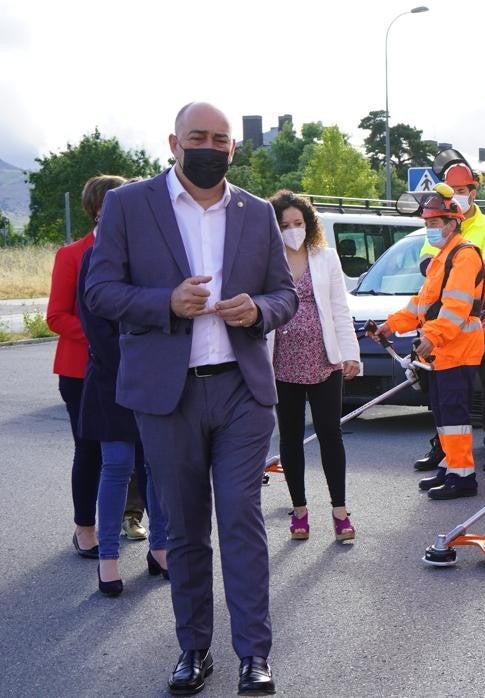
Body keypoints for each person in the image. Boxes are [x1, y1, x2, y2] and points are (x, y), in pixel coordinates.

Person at [85, 101, 297, 696]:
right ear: (174, 143)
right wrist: (164, 303)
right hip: (166, 395)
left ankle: (255, 654)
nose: (210, 147)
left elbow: (286, 295)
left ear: (234, 148)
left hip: (241, 390)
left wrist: (258, 309)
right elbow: (99, 289)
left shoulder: (257, 214)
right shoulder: (130, 205)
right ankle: (193, 648)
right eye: (198, 137)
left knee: (241, 520)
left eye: (221, 139)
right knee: (183, 529)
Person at [376, 183, 485, 500]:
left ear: (453, 223)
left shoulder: (463, 257)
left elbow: (455, 308)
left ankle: (463, 478)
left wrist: (432, 337)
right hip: (443, 351)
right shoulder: (443, 258)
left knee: (454, 416)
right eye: (427, 224)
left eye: (434, 224)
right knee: (443, 414)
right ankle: (451, 469)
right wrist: (390, 325)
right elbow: (421, 306)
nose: (429, 230)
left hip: (457, 349)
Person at [77, 237, 169, 595]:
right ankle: (109, 558)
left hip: (154, 379)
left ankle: (160, 548)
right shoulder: (95, 257)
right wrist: (133, 365)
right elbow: (94, 323)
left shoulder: (151, 250)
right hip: (110, 379)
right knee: (116, 465)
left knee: (156, 467)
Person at [267, 191, 361, 542]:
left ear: (309, 224)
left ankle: (340, 511)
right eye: (285, 225)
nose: (293, 230)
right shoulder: (266, 259)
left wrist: (351, 353)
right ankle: (300, 511)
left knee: (329, 433)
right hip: (281, 361)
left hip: (324, 359)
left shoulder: (326, 257)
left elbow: (340, 307)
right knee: (290, 438)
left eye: (298, 223)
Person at [412, 150, 485, 473]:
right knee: (441, 392)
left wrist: (456, 265)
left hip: (481, 313)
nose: (460, 196)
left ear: (474, 192)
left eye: (464, 191)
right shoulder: (441, 224)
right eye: (454, 192)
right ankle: (444, 454)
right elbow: (427, 264)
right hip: (445, 317)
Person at [49, 176, 124, 559]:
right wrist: (103, 338)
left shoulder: (135, 251)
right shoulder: (72, 254)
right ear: (97, 208)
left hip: (128, 370)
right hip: (81, 372)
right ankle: (85, 527)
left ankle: (130, 517)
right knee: (91, 450)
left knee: (133, 449)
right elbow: (56, 317)